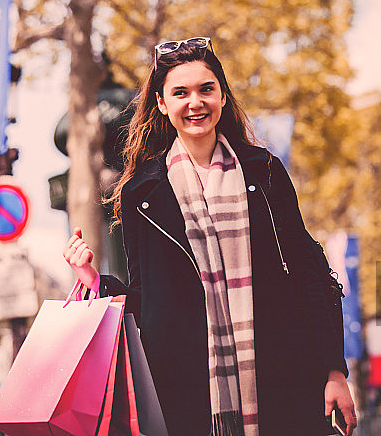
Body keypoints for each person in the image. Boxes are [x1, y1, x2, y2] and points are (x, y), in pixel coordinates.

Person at [64, 37, 357, 436]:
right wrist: (92, 280)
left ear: (222, 95)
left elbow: (310, 273)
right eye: (180, 93)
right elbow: (150, 303)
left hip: (287, 380)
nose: (195, 102)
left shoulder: (264, 172)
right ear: (162, 104)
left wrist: (334, 370)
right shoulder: (141, 194)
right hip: (190, 397)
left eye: (206, 89)